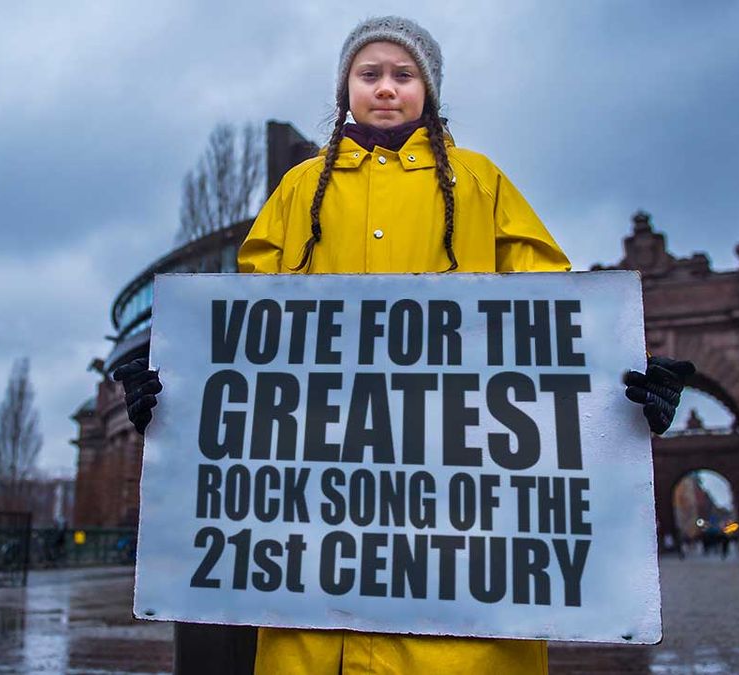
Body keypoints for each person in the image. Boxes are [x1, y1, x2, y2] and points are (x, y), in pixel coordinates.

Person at [114, 15, 694, 674]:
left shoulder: (483, 183)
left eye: (403, 74)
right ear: (345, 90)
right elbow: (250, 339)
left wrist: (625, 380)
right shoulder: (299, 192)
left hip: (463, 527)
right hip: (316, 528)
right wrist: (177, 384)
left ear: (429, 90)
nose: (386, 89)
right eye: (370, 74)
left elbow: (553, 323)